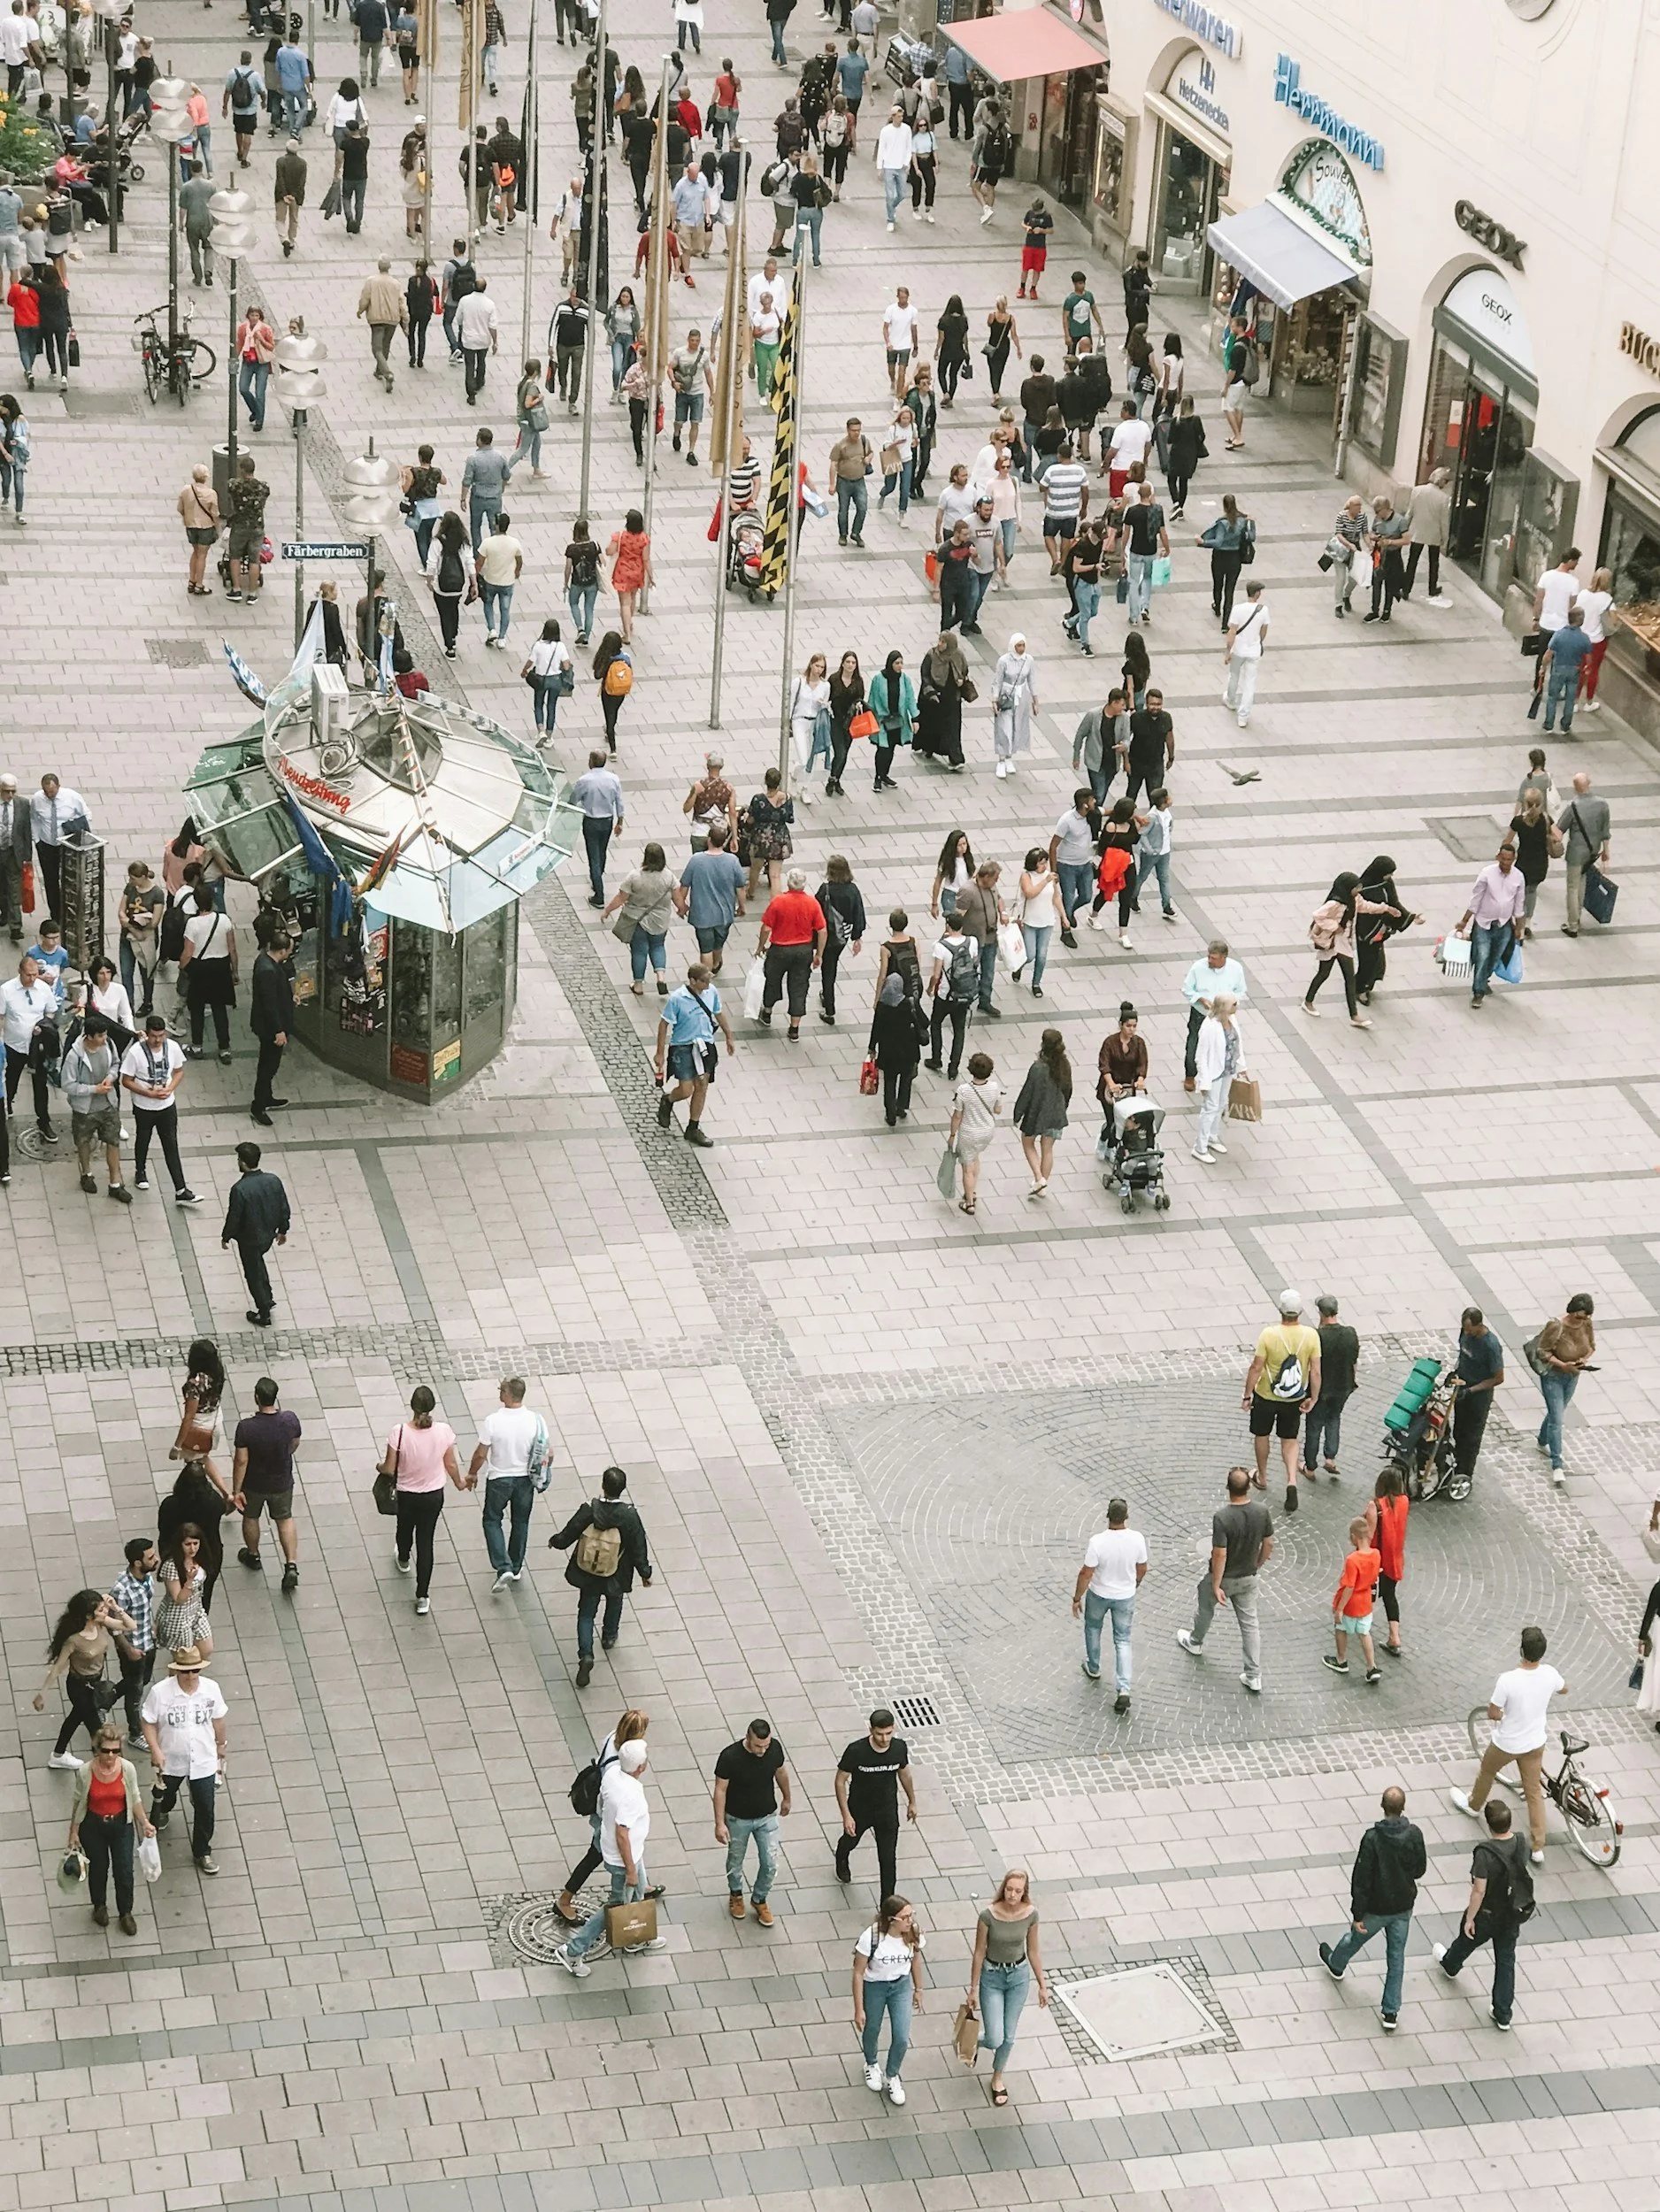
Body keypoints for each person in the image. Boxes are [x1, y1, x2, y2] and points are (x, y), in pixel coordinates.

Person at [1318, 1787, 1426, 2033]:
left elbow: (1362, 1878)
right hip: (1403, 1907)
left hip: (1376, 1909)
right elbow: (1420, 1869)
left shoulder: (1372, 1839)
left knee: (1355, 1938)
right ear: (1403, 1807)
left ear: (1382, 1805)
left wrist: (1358, 1913)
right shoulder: (1414, 1834)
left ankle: (1336, 1963)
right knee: (1396, 1957)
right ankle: (1390, 2011)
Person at [554, 1739, 666, 1977]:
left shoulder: (613, 1774)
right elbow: (623, 1834)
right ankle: (573, 1951)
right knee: (615, 1905)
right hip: (625, 1858)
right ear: (641, 1768)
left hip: (626, 1851)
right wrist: (631, 1870)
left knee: (636, 1896)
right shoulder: (630, 1794)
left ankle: (638, 1937)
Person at [1451, 1624, 1564, 1860]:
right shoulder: (1550, 1674)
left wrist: (1505, 1716)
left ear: (1521, 1650)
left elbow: (1493, 1713)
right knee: (1533, 1791)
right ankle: (1538, 1846)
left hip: (1507, 1743)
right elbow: (1564, 1689)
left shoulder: (1508, 1680)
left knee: (1487, 1771)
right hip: (1535, 1743)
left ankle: (1473, 1805)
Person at [549, 1465, 653, 1687]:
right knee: (615, 1602)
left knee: (586, 1614)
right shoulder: (629, 1515)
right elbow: (638, 1546)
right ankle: (609, 1636)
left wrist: (556, 1541)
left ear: (603, 1486)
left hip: (588, 1572)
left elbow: (569, 1532)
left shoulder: (589, 1509)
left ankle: (586, 1654)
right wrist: (645, 1572)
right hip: (617, 1571)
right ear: (623, 1489)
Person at [1434, 1799, 1533, 2029]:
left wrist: (1470, 1917)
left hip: (1488, 1913)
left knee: (1467, 1939)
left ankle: (1450, 1964)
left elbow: (1479, 1890)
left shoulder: (1485, 1853)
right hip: (1511, 1913)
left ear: (1489, 1825)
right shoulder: (1520, 1842)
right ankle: (1503, 2013)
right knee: (1506, 1962)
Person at [1177, 1465, 1273, 1694]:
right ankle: (1254, 1675)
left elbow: (1220, 1553)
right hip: (1249, 1577)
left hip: (1226, 1577)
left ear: (1228, 1488)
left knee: (1205, 1605)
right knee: (1250, 1625)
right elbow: (1269, 1543)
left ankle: (1195, 1641)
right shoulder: (1262, 1511)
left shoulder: (1222, 1517)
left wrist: (1216, 1583)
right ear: (1249, 1487)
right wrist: (1257, 1564)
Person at [380, 1384, 469, 1616]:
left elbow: (390, 1468)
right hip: (433, 1495)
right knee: (426, 1541)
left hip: (407, 1494)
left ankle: (403, 1558)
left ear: (412, 1406)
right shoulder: (443, 1431)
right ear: (432, 1407)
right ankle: (422, 1595)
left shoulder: (399, 1432)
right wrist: (460, 1482)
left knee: (404, 1527)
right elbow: (450, 1464)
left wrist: (378, 1466)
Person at [141, 1644, 227, 1876]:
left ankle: (202, 1851)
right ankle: (162, 1813)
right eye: (185, 1671)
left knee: (206, 1807)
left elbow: (218, 1719)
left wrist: (221, 1745)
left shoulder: (211, 1689)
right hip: (172, 1759)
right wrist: (155, 1749)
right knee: (165, 1795)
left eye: (195, 1671)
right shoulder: (161, 1692)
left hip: (203, 1759)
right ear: (176, 1671)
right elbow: (148, 1721)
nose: (190, 1676)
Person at [67, 1722, 154, 1935]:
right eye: (106, 1750)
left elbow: (134, 1798)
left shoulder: (127, 1769)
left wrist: (145, 1823)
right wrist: (73, 1831)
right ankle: (99, 1906)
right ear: (97, 1749)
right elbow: (79, 1802)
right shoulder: (85, 1772)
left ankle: (126, 1912)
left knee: (124, 1870)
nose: (111, 1755)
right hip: (93, 1826)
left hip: (121, 1825)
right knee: (98, 1868)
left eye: (116, 1751)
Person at [33, 1587, 134, 1770]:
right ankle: (108, 1766)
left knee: (75, 1717)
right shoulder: (74, 1640)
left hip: (96, 1683)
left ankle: (58, 1754)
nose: (105, 1612)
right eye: (101, 1609)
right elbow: (58, 1668)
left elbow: (130, 1626)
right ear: (89, 1616)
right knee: (97, 1729)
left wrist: (116, 1608)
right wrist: (42, 1694)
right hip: (79, 1687)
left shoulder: (102, 1623)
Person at [465, 1376, 547, 1594]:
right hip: (525, 1480)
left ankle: (503, 1567)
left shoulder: (493, 1421)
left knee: (492, 1520)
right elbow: (548, 1452)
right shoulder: (536, 1420)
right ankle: (516, 1565)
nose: (499, 1393)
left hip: (499, 1479)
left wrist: (472, 1474)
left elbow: (481, 1454)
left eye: (501, 1390)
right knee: (521, 1522)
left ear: (508, 1395)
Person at [1243, 1291, 1320, 1512]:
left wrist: (1247, 1395)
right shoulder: (1311, 1336)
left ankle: (1263, 1476)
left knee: (1262, 1434)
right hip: (1294, 1397)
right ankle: (1291, 1480)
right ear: (1300, 1312)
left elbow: (1256, 1367)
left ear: (1280, 1310)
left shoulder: (1269, 1335)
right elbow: (1315, 1371)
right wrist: (1312, 1397)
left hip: (1267, 1395)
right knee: (1289, 1439)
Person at [713, 1718, 790, 1926]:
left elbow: (780, 1772)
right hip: (737, 1818)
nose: (763, 1750)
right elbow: (720, 1789)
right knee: (735, 1859)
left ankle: (759, 1899)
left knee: (770, 1862)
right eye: (758, 1746)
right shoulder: (730, 1756)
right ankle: (736, 1894)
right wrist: (719, 1823)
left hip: (767, 1815)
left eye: (766, 1745)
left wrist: (787, 1797)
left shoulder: (774, 1749)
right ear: (748, 1738)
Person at [1072, 1497, 1146, 1710]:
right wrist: (1135, 1584)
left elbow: (1086, 1573)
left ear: (1107, 1516)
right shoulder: (1137, 1539)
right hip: (1125, 1596)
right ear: (1127, 1517)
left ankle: (1094, 1666)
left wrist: (1077, 1598)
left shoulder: (1098, 1542)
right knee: (1122, 1640)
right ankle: (1123, 1688)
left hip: (1099, 1594)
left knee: (1093, 1627)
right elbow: (1142, 1567)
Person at [232, 1376, 302, 1592]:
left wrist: (236, 1490)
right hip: (281, 1482)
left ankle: (253, 1555)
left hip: (254, 1484)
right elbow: (294, 1443)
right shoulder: (289, 1420)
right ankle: (291, 1565)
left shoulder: (246, 1428)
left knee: (251, 1517)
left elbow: (241, 1460)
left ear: (256, 1398)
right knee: (284, 1519)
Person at [853, 1896, 925, 2108]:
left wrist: (918, 1989)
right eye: (905, 1917)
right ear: (892, 1920)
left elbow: (916, 1960)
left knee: (902, 2036)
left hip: (900, 1985)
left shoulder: (913, 1933)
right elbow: (858, 1972)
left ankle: (892, 2075)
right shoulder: (872, 1937)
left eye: (912, 1915)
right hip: (875, 1986)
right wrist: (859, 2009)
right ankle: (871, 2063)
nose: (910, 1920)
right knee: (872, 2027)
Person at [834, 1709, 915, 1895]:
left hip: (887, 1811)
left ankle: (886, 1908)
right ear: (871, 1730)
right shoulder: (856, 1751)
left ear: (894, 1729)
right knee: (850, 1842)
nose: (885, 1739)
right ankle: (842, 1857)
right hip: (860, 1809)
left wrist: (912, 1801)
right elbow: (840, 1781)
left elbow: (904, 1773)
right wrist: (846, 1815)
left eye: (889, 1733)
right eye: (879, 1734)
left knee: (888, 1860)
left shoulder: (899, 1748)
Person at [655, 959, 734, 1148]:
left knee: (702, 1085)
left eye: (709, 981)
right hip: (683, 1046)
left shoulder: (711, 992)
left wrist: (729, 1036)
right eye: (704, 981)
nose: (708, 985)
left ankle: (693, 1127)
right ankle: (668, 1100)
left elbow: (718, 1013)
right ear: (693, 981)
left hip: (705, 1045)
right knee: (686, 1089)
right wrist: (660, 1053)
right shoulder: (677, 999)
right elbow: (664, 1023)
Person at [1304, 871, 1393, 1026]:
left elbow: (1365, 906)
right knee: (1323, 973)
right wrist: (1335, 926)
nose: (1358, 890)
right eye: (1356, 887)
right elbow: (1318, 915)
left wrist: (1385, 908)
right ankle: (1308, 1001)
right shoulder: (1335, 903)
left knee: (1349, 978)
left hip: (1343, 942)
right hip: (1331, 942)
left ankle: (1354, 1016)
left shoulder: (1354, 899)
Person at [220, 1140, 290, 1327]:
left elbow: (234, 1217)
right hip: (268, 1234)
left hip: (249, 1239)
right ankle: (268, 1297)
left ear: (242, 1162)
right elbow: (284, 1207)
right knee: (259, 1266)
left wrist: (226, 1236)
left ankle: (264, 1312)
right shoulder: (273, 1180)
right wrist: (283, 1230)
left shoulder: (239, 1189)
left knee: (253, 1273)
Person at [1532, 1292, 1595, 1485]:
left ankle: (1542, 1440)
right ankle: (1557, 1464)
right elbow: (1542, 1352)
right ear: (1572, 1311)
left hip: (1573, 1376)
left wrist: (1584, 1359)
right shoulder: (1557, 1325)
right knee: (1557, 1419)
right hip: (1554, 1376)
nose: (1581, 1321)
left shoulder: (1586, 1324)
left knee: (1555, 1412)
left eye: (1585, 1317)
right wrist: (1562, 1364)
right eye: (1578, 1316)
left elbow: (1592, 1346)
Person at [756, 866, 826, 1041]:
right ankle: (794, 1028)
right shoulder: (812, 903)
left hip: (779, 949)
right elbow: (822, 930)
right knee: (799, 986)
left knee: (772, 980)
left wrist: (760, 947)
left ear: (788, 883)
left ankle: (767, 1013)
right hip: (803, 951)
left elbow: (766, 928)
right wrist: (819, 954)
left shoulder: (779, 902)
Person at [1455, 839, 1526, 1007]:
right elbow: (1476, 899)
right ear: (1498, 857)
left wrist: (1519, 927)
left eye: (1509, 859)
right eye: (1503, 859)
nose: (1506, 863)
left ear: (1514, 859)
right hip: (1483, 923)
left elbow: (1519, 903)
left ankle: (1483, 979)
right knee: (1483, 956)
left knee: (1495, 957)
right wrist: (1464, 921)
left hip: (1504, 925)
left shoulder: (1518, 877)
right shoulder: (1487, 873)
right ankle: (1478, 992)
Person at [1303, 1294, 1358, 1479]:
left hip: (1323, 1389)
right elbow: (1353, 1362)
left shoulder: (1317, 1336)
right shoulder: (1350, 1333)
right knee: (1334, 1418)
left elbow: (1314, 1370)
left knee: (1315, 1425)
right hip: (1343, 1387)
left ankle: (1310, 1467)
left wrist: (1313, 1395)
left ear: (1320, 1313)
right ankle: (1330, 1458)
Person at [1324, 1515, 1383, 1684]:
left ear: (1353, 1537)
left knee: (1341, 1628)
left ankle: (1341, 1660)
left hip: (1351, 1604)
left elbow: (1349, 1587)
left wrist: (1339, 1609)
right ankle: (1371, 1667)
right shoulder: (1376, 1554)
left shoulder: (1353, 1559)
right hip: (1365, 1603)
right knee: (1365, 1633)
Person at [1451, 1307, 1504, 1491]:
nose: (1466, 1332)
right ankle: (1455, 1464)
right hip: (1462, 1388)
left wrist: (1472, 1390)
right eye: (1464, 1329)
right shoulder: (1465, 1333)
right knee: (1458, 1430)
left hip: (1478, 1397)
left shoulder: (1491, 1345)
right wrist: (1455, 1371)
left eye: (1469, 1329)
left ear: (1479, 1325)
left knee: (1471, 1438)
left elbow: (1498, 1378)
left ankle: (1465, 1474)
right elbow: (1462, 1355)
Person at [1012, 1028, 1070, 1197]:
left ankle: (1039, 1179)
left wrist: (1018, 1113)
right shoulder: (1064, 1064)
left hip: (1036, 1114)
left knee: (1028, 1142)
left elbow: (1027, 1092)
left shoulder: (1038, 1068)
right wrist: (1063, 1107)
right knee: (1048, 1149)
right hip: (1056, 1113)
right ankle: (1042, 1183)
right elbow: (1068, 1088)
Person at [1191, 990, 1245, 1167]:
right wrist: (1204, 1081)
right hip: (1214, 1073)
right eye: (1234, 1004)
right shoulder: (1209, 1026)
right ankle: (1200, 1147)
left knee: (1221, 1104)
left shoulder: (1232, 1020)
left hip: (1228, 1069)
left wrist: (1242, 1067)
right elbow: (1201, 1055)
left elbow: (1238, 1044)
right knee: (1210, 1108)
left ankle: (1212, 1138)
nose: (1237, 1006)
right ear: (1224, 1007)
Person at [1556, 770, 1610, 940]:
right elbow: (1605, 831)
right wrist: (1606, 853)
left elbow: (1559, 831)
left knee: (1573, 887)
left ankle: (1573, 925)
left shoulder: (1573, 806)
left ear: (1575, 787)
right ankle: (1577, 917)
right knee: (1582, 882)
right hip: (1593, 851)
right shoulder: (1603, 804)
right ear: (1589, 783)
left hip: (1576, 852)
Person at [947, 1050, 1002, 1216]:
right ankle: (973, 1191)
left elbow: (957, 1116)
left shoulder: (964, 1090)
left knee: (967, 1168)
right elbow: (998, 1110)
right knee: (974, 1157)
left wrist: (952, 1135)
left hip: (969, 1133)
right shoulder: (994, 1087)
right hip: (987, 1131)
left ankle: (969, 1202)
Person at [814, 856, 865, 1026]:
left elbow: (814, 910)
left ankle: (829, 1010)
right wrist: (857, 937)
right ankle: (827, 999)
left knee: (826, 971)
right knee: (831, 967)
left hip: (824, 935)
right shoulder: (853, 890)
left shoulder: (825, 889)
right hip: (841, 937)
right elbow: (859, 914)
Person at [571, 749, 625, 908]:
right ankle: (597, 878)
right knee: (602, 852)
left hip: (591, 821)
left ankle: (599, 894)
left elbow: (574, 798)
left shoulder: (584, 780)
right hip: (607, 821)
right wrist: (620, 821)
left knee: (593, 856)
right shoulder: (613, 779)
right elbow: (619, 801)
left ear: (592, 761)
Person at [1365, 1464, 1409, 1658]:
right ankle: (1395, 1637)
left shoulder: (1375, 1505)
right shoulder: (1404, 1501)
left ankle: (1356, 1626)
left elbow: (1369, 1535)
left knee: (1365, 1592)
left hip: (1377, 1559)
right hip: (1395, 1559)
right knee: (1390, 1596)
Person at [1196, 494, 1252, 627]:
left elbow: (1218, 542)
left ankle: (1217, 605)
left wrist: (1203, 542)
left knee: (1218, 584)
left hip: (1220, 557)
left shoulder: (1223, 523)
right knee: (1230, 590)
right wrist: (1252, 523)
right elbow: (1251, 537)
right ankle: (1225, 623)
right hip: (1235, 558)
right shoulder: (1242, 520)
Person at [1016, 846, 1063, 1000]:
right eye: (1041, 863)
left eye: (1046, 862)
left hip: (1047, 921)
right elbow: (1030, 893)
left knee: (1041, 956)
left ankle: (1036, 983)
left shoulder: (1051, 876)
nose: (1045, 866)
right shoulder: (1026, 876)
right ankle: (1018, 967)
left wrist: (1063, 916)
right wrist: (1045, 881)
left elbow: (1056, 897)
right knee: (1030, 955)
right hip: (1030, 921)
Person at [1402, 467, 1452, 605]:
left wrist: (1404, 528)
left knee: (1412, 562)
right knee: (1434, 562)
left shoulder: (1417, 490)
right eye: (1446, 481)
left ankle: (1406, 589)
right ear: (1441, 481)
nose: (1446, 484)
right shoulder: (1443, 498)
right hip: (1434, 534)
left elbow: (1410, 512)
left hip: (1417, 531)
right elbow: (1444, 521)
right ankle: (1432, 587)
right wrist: (1445, 537)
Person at [867, 648, 914, 792]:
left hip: (897, 721)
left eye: (901, 663)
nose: (900, 666)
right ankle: (878, 777)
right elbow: (873, 700)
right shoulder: (879, 679)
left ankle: (884, 774)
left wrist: (915, 718)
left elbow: (910, 699)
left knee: (891, 748)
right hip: (882, 721)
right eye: (897, 663)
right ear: (890, 664)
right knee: (883, 749)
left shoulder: (904, 679)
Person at [1223, 581, 1269, 729]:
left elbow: (1232, 631)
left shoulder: (1237, 609)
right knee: (1250, 683)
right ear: (1257, 594)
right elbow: (1263, 631)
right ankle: (1243, 716)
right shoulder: (1263, 610)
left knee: (1234, 675)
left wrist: (1228, 650)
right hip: (1254, 651)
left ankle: (1231, 700)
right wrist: (1258, 642)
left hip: (1238, 649)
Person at [991, 634, 1037, 779]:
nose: (1021, 648)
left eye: (1023, 645)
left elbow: (1032, 680)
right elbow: (997, 681)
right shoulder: (1003, 661)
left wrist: (1035, 701)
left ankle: (1010, 757)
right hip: (1007, 695)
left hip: (1022, 695)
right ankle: (1001, 760)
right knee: (1004, 728)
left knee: (1017, 727)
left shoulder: (1028, 660)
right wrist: (994, 700)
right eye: (1019, 645)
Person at [607, 508, 651, 641]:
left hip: (622, 572)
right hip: (637, 572)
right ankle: (629, 623)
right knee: (632, 598)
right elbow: (646, 559)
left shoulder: (619, 536)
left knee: (624, 604)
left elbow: (610, 551)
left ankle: (627, 634)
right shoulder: (644, 539)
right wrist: (651, 576)